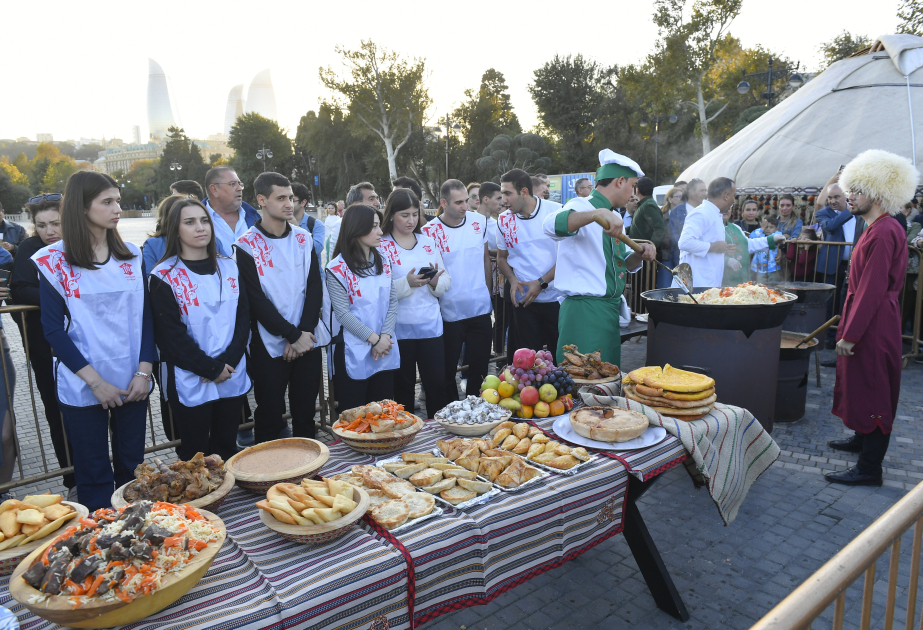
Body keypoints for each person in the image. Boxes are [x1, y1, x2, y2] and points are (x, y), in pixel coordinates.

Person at [34, 171, 154, 510]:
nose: (117, 208)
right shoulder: (53, 261)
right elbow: (53, 330)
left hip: (133, 381)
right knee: (93, 471)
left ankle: (138, 535)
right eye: (107, 202)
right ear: (82, 207)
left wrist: (144, 372)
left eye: (117, 199)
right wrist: (96, 382)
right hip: (83, 385)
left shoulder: (131, 254)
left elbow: (145, 315)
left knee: (132, 469)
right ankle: (102, 539)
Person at [824, 150, 917, 486]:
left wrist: (851, 334)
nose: (850, 196)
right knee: (862, 383)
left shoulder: (883, 231)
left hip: (875, 322)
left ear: (878, 194)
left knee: (875, 389)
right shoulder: (876, 227)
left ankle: (869, 467)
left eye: (858, 190)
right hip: (871, 317)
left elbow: (872, 290)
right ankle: (861, 439)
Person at [149, 198, 251, 461]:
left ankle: (231, 502)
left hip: (230, 371)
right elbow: (170, 336)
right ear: (175, 229)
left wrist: (226, 363)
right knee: (195, 454)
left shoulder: (229, 267)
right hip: (190, 376)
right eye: (190, 222)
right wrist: (209, 367)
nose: (200, 227)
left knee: (227, 448)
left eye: (204, 220)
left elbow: (243, 319)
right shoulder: (163, 275)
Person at [542, 149, 656, 365]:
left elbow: (622, 263)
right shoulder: (580, 206)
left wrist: (641, 255)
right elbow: (550, 226)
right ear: (620, 181)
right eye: (632, 185)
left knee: (605, 385)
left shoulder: (614, 215)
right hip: (584, 312)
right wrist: (595, 214)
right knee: (583, 385)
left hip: (608, 311)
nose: (633, 193)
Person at [236, 172, 323, 443]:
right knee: (270, 414)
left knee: (306, 413)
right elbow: (256, 300)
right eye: (281, 198)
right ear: (261, 200)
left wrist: (304, 332)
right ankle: (269, 475)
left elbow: (313, 287)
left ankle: (309, 472)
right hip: (268, 343)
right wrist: (291, 335)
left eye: (291, 198)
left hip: (307, 339)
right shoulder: (245, 245)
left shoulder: (303, 238)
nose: (289, 204)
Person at [9, 194, 73, 493]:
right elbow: (19, 290)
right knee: (56, 410)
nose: (49, 231)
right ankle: (71, 476)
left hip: (87, 343)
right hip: (45, 346)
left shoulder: (79, 245)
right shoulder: (29, 249)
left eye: (55, 223)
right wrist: (66, 296)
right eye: (41, 225)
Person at [380, 189, 450, 418]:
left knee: (437, 384)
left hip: (430, 325)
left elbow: (445, 278)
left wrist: (434, 283)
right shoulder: (381, 245)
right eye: (404, 215)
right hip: (398, 329)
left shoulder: (428, 242)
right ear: (391, 215)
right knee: (402, 388)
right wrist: (406, 283)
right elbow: (377, 290)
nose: (411, 221)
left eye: (414, 214)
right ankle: (405, 437)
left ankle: (439, 434)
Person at [422, 180, 493, 399]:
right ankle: (452, 416)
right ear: (444, 203)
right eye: (459, 202)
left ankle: (477, 412)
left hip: (480, 310)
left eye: (468, 200)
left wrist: (488, 293)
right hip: (448, 314)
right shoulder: (429, 231)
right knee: (446, 372)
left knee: (480, 370)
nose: (465, 206)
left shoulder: (479, 221)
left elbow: (484, 258)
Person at [327, 204, 400, 409]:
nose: (380, 232)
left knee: (383, 412)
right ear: (357, 229)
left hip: (384, 348)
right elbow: (343, 314)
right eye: (374, 227)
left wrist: (385, 336)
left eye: (379, 226)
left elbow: (392, 301)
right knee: (356, 415)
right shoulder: (337, 269)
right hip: (354, 348)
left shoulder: (383, 261)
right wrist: (375, 339)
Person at [678, 177, 786, 289]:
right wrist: (713, 247)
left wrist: (772, 239)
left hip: (710, 284)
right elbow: (685, 243)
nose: (733, 200)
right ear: (726, 196)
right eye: (733, 196)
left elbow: (744, 245)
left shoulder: (716, 215)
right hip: (696, 284)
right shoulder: (701, 213)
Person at [498, 169, 561, 353]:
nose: (503, 200)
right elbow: (502, 258)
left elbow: (567, 258)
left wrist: (541, 283)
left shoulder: (556, 212)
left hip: (557, 301)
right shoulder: (503, 219)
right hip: (524, 303)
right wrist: (512, 280)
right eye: (502, 194)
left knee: (559, 361)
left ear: (524, 192)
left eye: (507, 193)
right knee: (528, 362)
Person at [815, 181, 857, 348]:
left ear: (846, 196)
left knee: (847, 301)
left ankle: (844, 334)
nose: (832, 201)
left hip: (853, 264)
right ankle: (830, 336)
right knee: (830, 302)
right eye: (830, 197)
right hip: (831, 265)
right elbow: (831, 226)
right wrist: (849, 210)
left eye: (837, 197)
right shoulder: (823, 213)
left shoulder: (859, 213)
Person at [478, 182, 510, 354]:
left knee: (502, 318)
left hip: (499, 277)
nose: (502, 202)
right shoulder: (471, 222)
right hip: (480, 278)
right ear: (485, 199)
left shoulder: (497, 222)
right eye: (498, 198)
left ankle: (499, 354)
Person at [204, 166, 261, 257]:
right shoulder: (196, 222)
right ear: (214, 189)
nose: (239, 189)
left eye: (239, 184)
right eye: (232, 184)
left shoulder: (255, 218)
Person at [628, 177, 668, 287]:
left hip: (645, 257)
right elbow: (639, 227)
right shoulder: (644, 204)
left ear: (637, 190)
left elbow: (659, 229)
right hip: (640, 255)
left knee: (643, 288)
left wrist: (650, 248)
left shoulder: (648, 205)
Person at [291, 182, 325, 263]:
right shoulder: (280, 224)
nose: (287, 204)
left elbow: (317, 250)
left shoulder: (315, 224)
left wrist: (297, 228)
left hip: (311, 274)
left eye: (291, 200)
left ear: (303, 202)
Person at [658, 187, 684, 286]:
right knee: (665, 285)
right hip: (666, 255)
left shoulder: (686, 215)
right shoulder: (662, 215)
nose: (681, 199)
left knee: (681, 285)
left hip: (680, 254)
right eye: (678, 196)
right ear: (670, 199)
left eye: (683, 197)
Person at [749, 216, 782, 282]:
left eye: (771, 227)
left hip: (773, 267)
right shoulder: (759, 234)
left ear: (776, 229)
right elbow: (752, 236)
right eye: (766, 227)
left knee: (774, 285)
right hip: (759, 268)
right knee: (761, 285)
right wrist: (762, 229)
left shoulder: (777, 234)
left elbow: (777, 237)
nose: (768, 229)